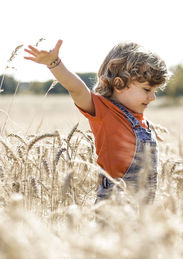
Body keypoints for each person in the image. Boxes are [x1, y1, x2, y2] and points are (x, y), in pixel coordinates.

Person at [24, 40, 169, 203]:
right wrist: (54, 63)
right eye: (147, 89)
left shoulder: (140, 120)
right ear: (119, 84)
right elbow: (77, 89)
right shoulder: (104, 111)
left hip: (143, 206)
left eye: (155, 91)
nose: (153, 97)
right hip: (114, 202)